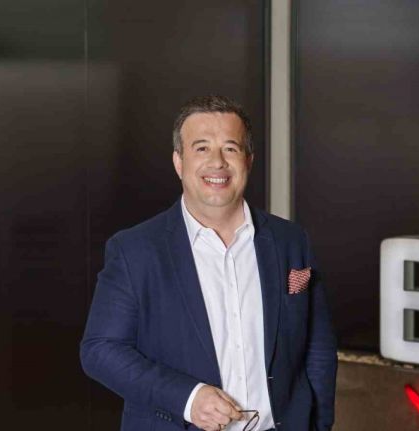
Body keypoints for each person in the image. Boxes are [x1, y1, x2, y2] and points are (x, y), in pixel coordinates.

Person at [80, 95, 338, 431]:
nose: (217, 162)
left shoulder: (291, 240)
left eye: (230, 148)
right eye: (201, 148)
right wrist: (188, 399)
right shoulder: (135, 250)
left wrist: (320, 425)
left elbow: (318, 347)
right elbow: (100, 350)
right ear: (179, 161)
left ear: (248, 160)